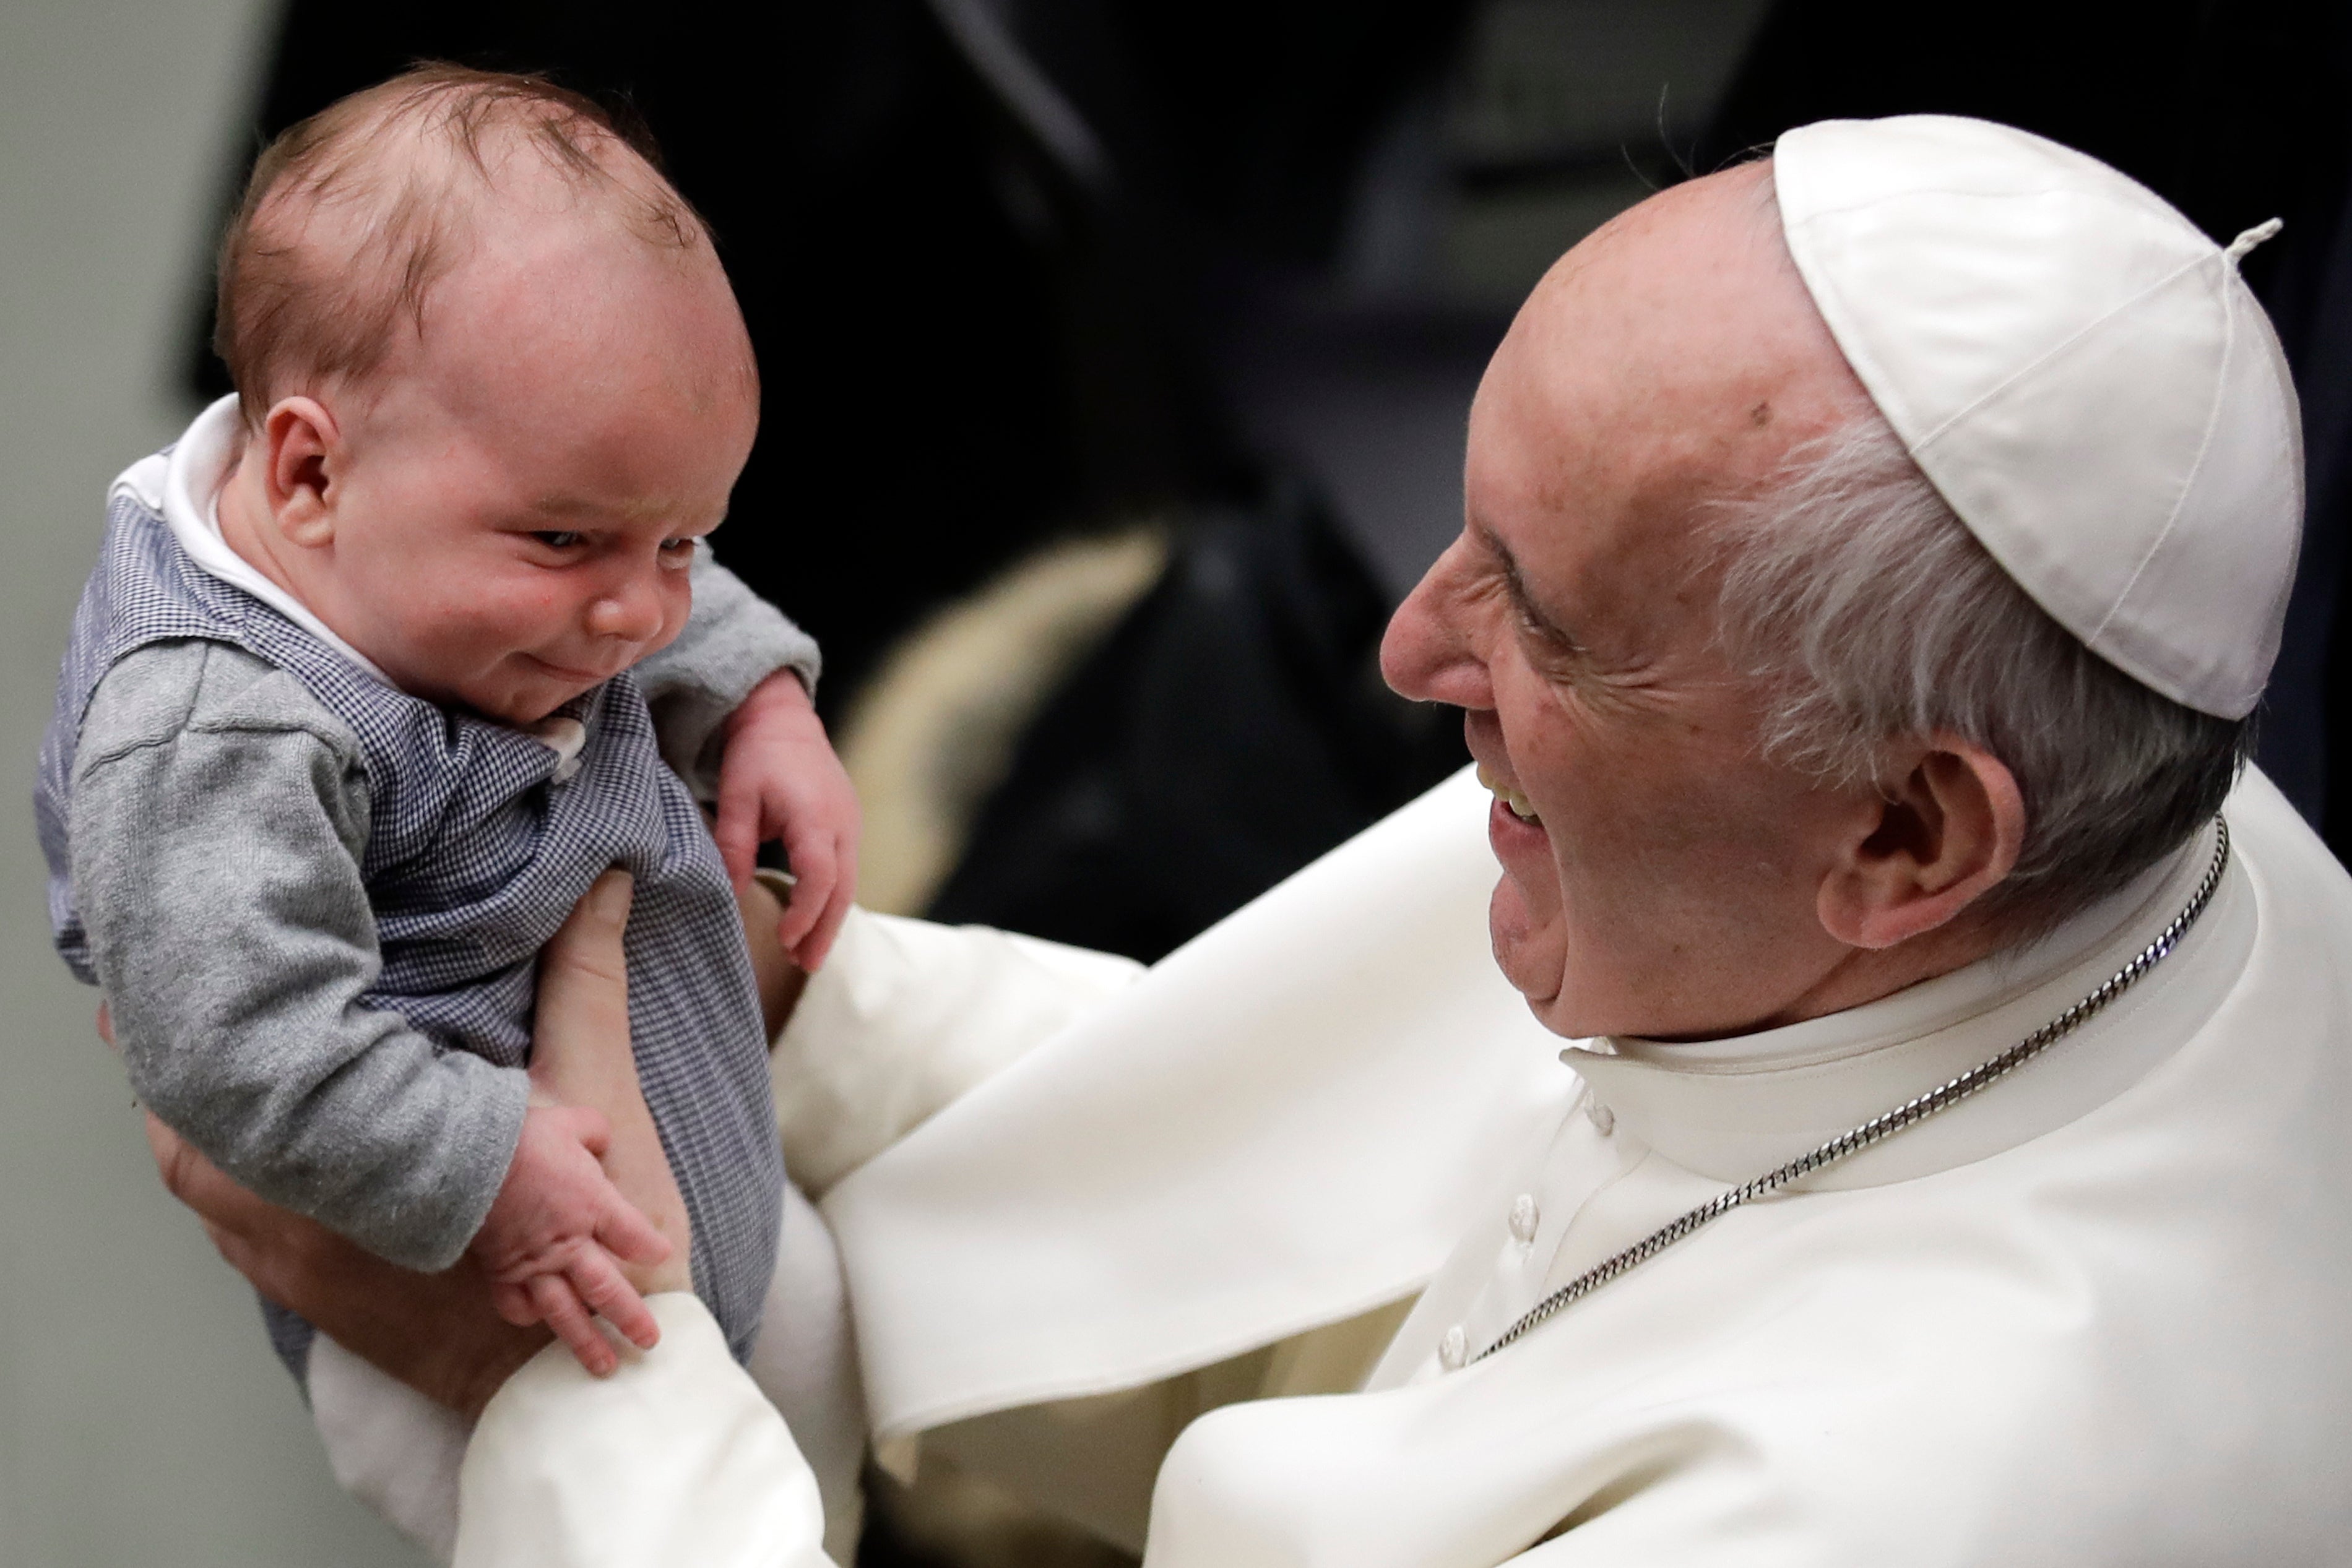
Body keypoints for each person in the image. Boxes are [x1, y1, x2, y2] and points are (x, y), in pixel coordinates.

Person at [163, 116, 2352, 1564]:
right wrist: (769, 999)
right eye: (1464, 530)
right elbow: (1326, 1166)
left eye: (1544, 616)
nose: (1410, 647)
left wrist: (557, 1388)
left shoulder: (1911, 1504)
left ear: (1905, 831)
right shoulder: (2075, 844)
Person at [35, 65, 861, 1390]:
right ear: (311, 472)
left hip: (712, 1138)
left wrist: (758, 697)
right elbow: (233, 1042)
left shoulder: (479, 545)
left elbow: (647, 563)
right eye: (564, 539)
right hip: (494, 1316)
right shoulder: (213, 732)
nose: (640, 609)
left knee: (834, 1348)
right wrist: (484, 1160)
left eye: (680, 539)